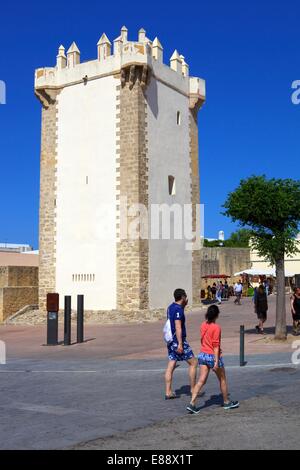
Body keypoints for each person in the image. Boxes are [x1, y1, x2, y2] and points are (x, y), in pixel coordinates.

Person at [186, 305, 239, 414]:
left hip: (202, 355)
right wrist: (216, 361)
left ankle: (192, 403)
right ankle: (226, 401)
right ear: (216, 315)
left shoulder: (203, 325)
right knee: (222, 379)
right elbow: (216, 346)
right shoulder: (216, 327)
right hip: (212, 356)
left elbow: (203, 340)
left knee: (201, 380)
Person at [164, 289, 198, 399]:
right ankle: (193, 388)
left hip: (170, 341)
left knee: (171, 364)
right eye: (186, 296)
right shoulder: (179, 310)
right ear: (183, 297)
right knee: (193, 363)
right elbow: (178, 326)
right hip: (178, 341)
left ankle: (168, 391)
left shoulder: (170, 307)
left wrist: (184, 307)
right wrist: (180, 344)